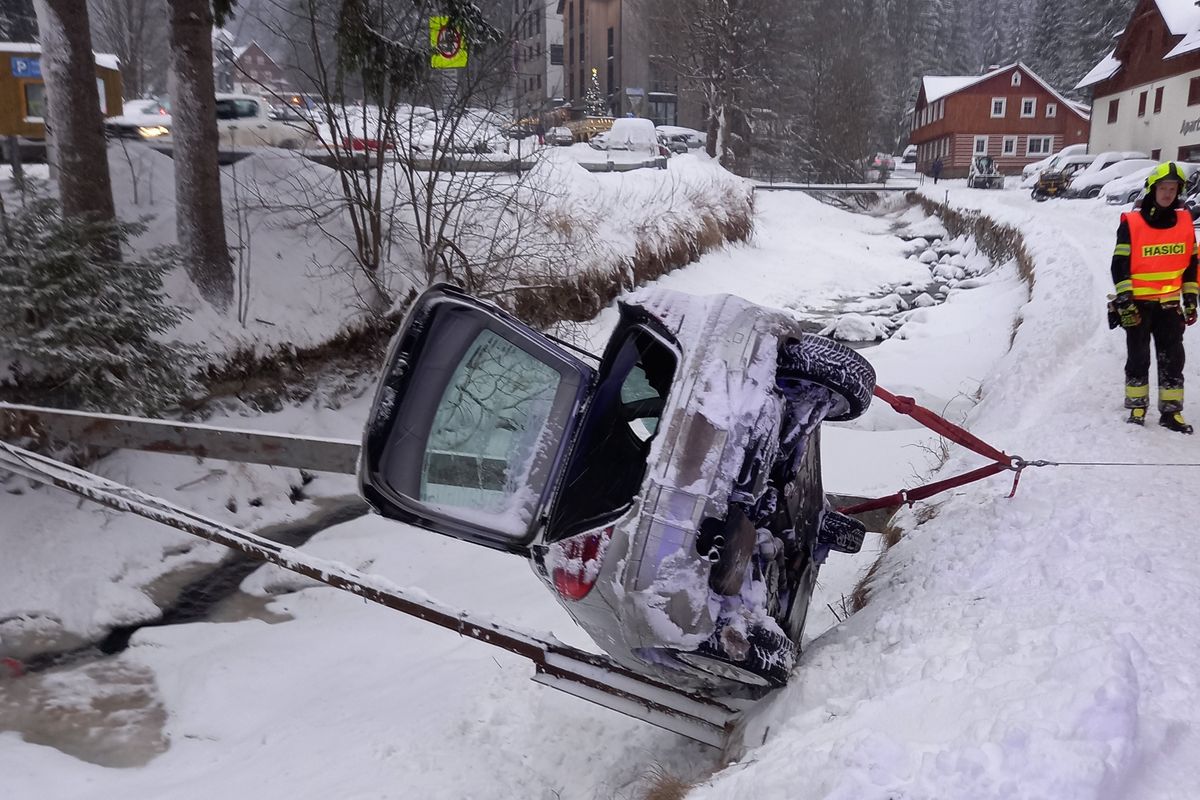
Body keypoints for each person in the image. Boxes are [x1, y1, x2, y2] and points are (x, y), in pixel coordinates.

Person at [1111, 161, 1199, 433]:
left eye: (1173, 189)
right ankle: (1138, 406)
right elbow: (1119, 264)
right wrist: (1124, 298)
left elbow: (1192, 264)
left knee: (1173, 358)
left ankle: (1172, 413)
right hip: (1137, 305)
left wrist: (1191, 299)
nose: (1168, 194)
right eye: (1163, 188)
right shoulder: (1132, 222)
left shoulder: (1185, 222)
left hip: (1170, 305)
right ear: (1153, 189)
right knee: (1138, 357)